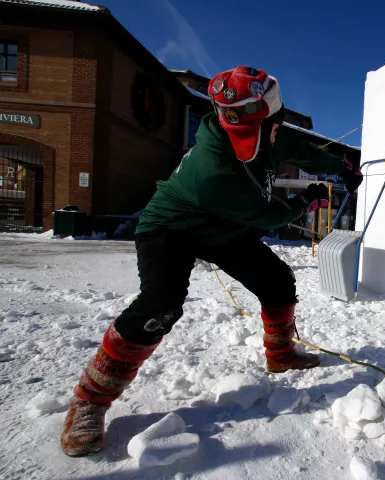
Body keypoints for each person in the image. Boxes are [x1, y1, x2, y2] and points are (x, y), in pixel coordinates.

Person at [60, 65, 364, 457]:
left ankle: (281, 353)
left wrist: (342, 170)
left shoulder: (270, 133)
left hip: (223, 224)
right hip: (172, 225)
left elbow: (301, 150)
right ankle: (90, 400)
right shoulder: (214, 169)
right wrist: (305, 201)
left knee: (277, 281)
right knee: (161, 304)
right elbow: (266, 215)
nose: (269, 130)